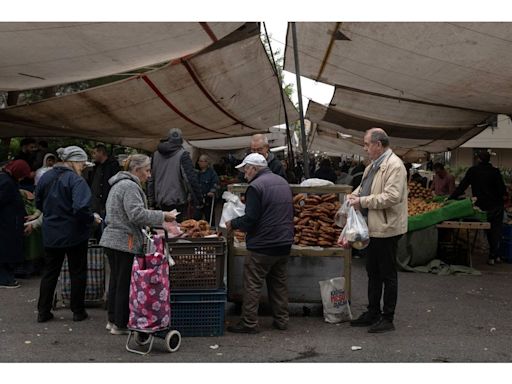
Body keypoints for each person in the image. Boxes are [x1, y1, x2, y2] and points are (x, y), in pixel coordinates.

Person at [100, 154, 177, 335]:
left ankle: (113, 320)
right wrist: (162, 215)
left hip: (113, 239)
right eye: (147, 170)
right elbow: (136, 214)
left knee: (116, 281)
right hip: (123, 240)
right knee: (124, 283)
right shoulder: (130, 186)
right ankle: (119, 323)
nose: (149, 175)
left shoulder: (119, 185)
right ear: (136, 170)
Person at [345, 128, 408, 333]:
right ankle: (373, 312)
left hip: (387, 227)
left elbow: (392, 197)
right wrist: (352, 197)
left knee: (387, 274)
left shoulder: (395, 166)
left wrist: (361, 201)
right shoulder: (372, 166)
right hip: (372, 227)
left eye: (366, 144)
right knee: (372, 272)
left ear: (378, 144)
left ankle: (387, 318)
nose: (365, 148)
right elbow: (364, 188)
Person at [226, 153, 294, 333]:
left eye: (245, 169)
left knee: (253, 283)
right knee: (278, 283)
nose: (244, 173)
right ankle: (282, 320)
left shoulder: (255, 187)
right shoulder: (282, 182)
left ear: (253, 168)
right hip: (284, 241)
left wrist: (233, 223)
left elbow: (251, 219)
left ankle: (249, 323)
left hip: (263, 244)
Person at [35, 146, 101, 323]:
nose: (83, 167)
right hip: (74, 233)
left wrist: (52, 214)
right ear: (73, 161)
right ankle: (78, 311)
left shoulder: (46, 176)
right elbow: (81, 208)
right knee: (77, 272)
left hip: (51, 233)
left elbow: (38, 202)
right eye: (81, 164)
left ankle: (43, 312)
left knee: (50, 272)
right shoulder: (76, 181)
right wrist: (91, 219)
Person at [448, 150, 506, 265]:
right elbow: (502, 190)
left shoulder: (473, 171)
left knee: (486, 229)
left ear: (478, 159)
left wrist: (451, 198)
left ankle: (493, 254)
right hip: (496, 206)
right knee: (495, 230)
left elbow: (462, 186)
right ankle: (494, 255)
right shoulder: (495, 172)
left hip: (481, 206)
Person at [147, 128, 203, 222]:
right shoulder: (183, 155)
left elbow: (151, 179)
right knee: (178, 233)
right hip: (178, 204)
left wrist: (151, 202)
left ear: (168, 139)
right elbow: (190, 180)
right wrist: (199, 202)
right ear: (181, 140)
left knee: (161, 233)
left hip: (159, 202)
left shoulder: (155, 155)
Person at [0, 160, 33, 288]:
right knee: (6, 251)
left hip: (10, 222)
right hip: (7, 224)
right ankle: (4, 278)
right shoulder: (7, 182)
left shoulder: (8, 180)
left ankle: (6, 277)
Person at [87, 143, 120, 240]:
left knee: (104, 227)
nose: (93, 156)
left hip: (106, 201)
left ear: (101, 152)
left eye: (94, 153)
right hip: (95, 202)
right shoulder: (96, 167)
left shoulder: (113, 165)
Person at [193, 154, 220, 225]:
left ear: (207, 162)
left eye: (202, 161)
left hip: (208, 200)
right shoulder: (196, 173)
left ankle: (212, 232)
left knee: (209, 219)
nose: (200, 163)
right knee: (196, 218)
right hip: (198, 199)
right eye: (199, 161)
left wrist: (212, 191)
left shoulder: (212, 173)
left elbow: (216, 183)